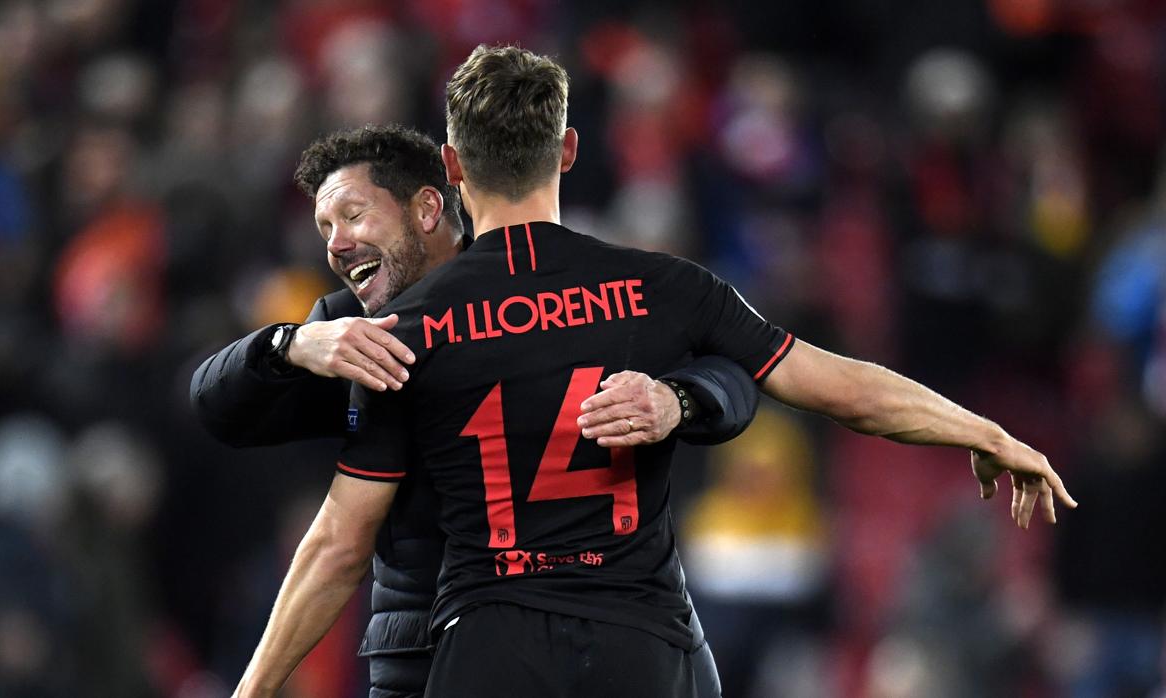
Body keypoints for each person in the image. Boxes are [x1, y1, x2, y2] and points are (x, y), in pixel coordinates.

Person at [234, 47, 1076, 698]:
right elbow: (842, 388)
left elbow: (339, 546)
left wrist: (256, 687)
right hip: (640, 637)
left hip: (488, 642)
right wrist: (986, 430)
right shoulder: (662, 287)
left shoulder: (407, 327)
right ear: (566, 149)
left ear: (451, 167)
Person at [191, 125, 761, 698]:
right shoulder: (355, 334)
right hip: (425, 646)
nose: (336, 245)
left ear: (428, 207)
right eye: (325, 229)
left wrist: (679, 398)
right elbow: (218, 409)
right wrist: (289, 345)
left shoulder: (555, 296)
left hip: (588, 627)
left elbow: (738, 371)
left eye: (354, 217)